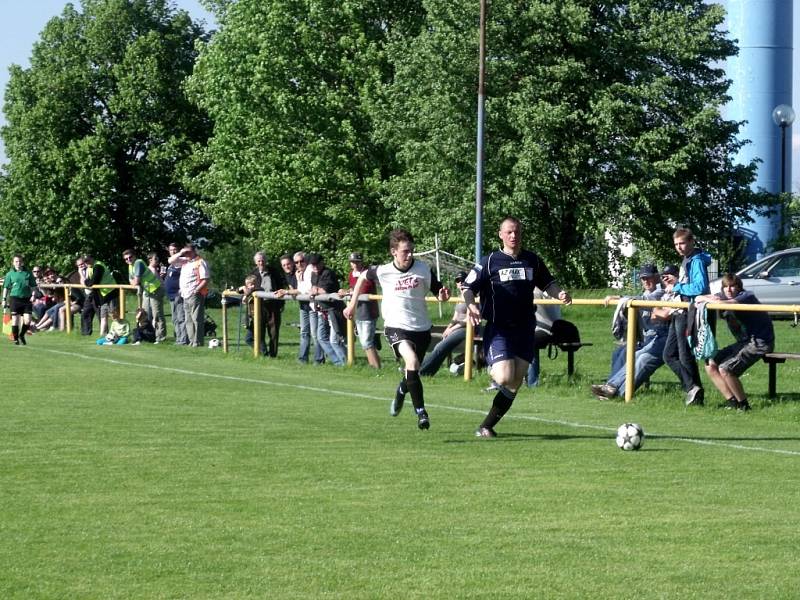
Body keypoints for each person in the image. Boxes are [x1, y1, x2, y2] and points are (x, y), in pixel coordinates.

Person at [463, 217, 572, 438]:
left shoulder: (532, 260)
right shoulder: (490, 261)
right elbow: (467, 287)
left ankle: (486, 426)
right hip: (499, 328)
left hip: (525, 328)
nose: (514, 236)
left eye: (517, 232)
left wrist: (559, 293)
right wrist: (470, 304)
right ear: (500, 234)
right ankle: (490, 362)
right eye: (510, 232)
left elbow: (548, 283)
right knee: (504, 377)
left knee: (514, 382)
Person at [345, 229, 450, 429]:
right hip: (395, 326)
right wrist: (352, 304)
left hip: (421, 328)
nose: (409, 255)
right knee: (411, 361)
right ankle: (422, 413)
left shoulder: (423, 269)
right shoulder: (384, 271)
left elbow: (439, 292)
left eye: (411, 251)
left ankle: (401, 391)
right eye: (404, 251)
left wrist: (444, 295)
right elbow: (361, 277)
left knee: (413, 370)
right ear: (394, 252)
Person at [590, 264, 671, 399]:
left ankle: (615, 392)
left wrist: (620, 297)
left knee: (635, 356)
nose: (646, 281)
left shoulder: (661, 292)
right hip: (646, 337)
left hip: (655, 337)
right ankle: (610, 387)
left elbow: (644, 301)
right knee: (620, 353)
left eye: (649, 278)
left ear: (656, 277)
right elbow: (641, 301)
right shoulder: (646, 293)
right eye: (643, 279)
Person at [697, 274, 774, 411]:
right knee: (711, 363)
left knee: (726, 369)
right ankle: (732, 401)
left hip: (760, 342)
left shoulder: (747, 296)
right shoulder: (723, 295)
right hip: (745, 341)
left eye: (733, 286)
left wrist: (712, 300)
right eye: (726, 287)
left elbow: (724, 304)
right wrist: (706, 297)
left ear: (739, 287)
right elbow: (697, 298)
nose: (729, 290)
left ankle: (744, 405)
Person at [661, 227, 713, 406]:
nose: (679, 247)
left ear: (691, 242)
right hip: (680, 310)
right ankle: (692, 388)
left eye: (682, 243)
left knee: (684, 356)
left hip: (688, 311)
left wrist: (677, 287)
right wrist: (676, 284)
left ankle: (695, 393)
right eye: (676, 244)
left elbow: (700, 288)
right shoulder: (687, 259)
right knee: (669, 355)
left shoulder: (696, 261)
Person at [340, 252, 381, 369]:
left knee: (366, 342)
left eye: (357, 261)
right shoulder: (351, 275)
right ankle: (374, 367)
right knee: (365, 342)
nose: (355, 264)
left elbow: (365, 289)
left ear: (361, 262)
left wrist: (349, 292)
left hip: (369, 311)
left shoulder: (367, 273)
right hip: (359, 311)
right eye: (353, 262)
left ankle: (376, 367)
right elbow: (354, 288)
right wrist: (346, 291)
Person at [169, 244, 210, 347]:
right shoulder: (185, 261)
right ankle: (192, 341)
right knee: (188, 319)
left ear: (193, 251)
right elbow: (171, 261)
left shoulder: (200, 262)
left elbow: (205, 279)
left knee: (196, 319)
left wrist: (196, 290)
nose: (186, 254)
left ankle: (198, 341)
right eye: (185, 253)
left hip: (195, 294)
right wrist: (180, 252)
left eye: (188, 252)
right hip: (185, 295)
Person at [309, 254, 346, 366]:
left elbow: (325, 291)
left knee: (335, 340)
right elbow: (314, 290)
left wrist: (315, 290)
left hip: (334, 310)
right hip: (322, 310)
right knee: (321, 338)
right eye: (313, 264)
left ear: (322, 262)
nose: (315, 266)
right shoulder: (313, 275)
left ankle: (346, 362)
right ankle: (338, 362)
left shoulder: (328, 273)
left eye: (316, 263)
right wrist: (315, 298)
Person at [122, 249, 166, 343]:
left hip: (155, 289)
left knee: (157, 314)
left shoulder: (138, 263)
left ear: (134, 256)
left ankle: (161, 337)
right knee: (144, 315)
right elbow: (131, 281)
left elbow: (136, 281)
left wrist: (134, 282)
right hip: (146, 291)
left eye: (130, 257)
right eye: (126, 259)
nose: (128, 260)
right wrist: (134, 282)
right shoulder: (130, 266)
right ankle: (148, 336)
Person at [251, 251, 282, 357]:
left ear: (266, 260)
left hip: (273, 305)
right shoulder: (253, 274)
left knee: (273, 332)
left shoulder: (274, 272)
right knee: (259, 331)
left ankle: (273, 355)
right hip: (259, 305)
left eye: (263, 260)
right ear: (256, 262)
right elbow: (248, 286)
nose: (261, 262)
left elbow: (281, 286)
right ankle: (263, 353)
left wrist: (281, 304)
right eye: (259, 260)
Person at [2, 254, 37, 345]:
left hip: (26, 300)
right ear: (13, 263)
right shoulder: (10, 274)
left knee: (27, 320)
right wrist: (4, 299)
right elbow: (6, 287)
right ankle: (15, 338)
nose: (18, 263)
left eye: (20, 261)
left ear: (23, 262)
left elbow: (33, 286)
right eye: (16, 261)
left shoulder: (28, 273)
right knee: (15, 320)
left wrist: (33, 295)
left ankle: (21, 335)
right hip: (14, 298)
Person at [80, 255, 118, 336]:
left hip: (111, 293)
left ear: (92, 258)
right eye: (85, 261)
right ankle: (102, 336)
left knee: (114, 315)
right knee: (103, 316)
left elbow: (92, 283)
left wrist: (85, 281)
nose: (87, 263)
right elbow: (88, 283)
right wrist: (85, 280)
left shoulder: (98, 266)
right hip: (103, 295)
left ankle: (118, 333)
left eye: (88, 260)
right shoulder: (90, 267)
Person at [165, 243, 189, 345]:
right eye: (171, 250)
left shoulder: (182, 261)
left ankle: (183, 339)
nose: (173, 252)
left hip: (178, 293)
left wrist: (180, 289)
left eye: (175, 250)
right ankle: (178, 338)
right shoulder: (171, 264)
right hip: (170, 295)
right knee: (174, 318)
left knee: (181, 317)